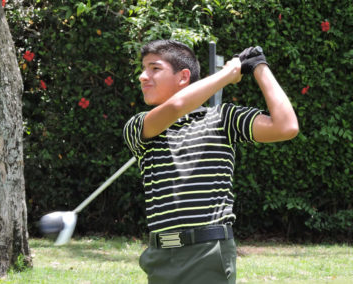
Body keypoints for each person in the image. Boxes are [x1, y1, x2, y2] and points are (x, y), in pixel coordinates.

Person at [123, 39, 299, 284]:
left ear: (183, 76)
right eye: (143, 69)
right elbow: (176, 106)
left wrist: (259, 66)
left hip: (209, 253)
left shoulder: (222, 118)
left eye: (154, 68)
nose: (143, 76)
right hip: (160, 256)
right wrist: (227, 74)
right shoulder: (138, 126)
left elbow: (286, 126)